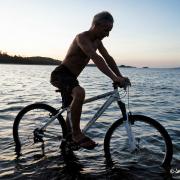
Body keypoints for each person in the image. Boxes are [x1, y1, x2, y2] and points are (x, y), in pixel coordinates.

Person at [50, 11, 130, 150]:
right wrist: (113, 78)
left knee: (70, 108)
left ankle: (68, 141)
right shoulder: (82, 38)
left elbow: (108, 58)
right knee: (80, 93)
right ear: (96, 25)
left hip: (72, 78)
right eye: (106, 30)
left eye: (110, 31)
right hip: (61, 74)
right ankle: (76, 134)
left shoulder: (97, 42)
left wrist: (120, 76)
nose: (108, 34)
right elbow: (95, 57)